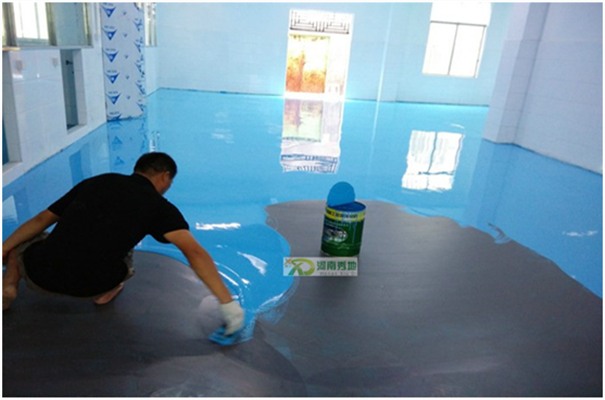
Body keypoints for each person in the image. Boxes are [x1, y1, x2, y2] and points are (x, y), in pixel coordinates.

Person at [2, 152, 244, 335]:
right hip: (92, 285)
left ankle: (9, 285)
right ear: (165, 176)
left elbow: (41, 219)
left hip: (40, 275)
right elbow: (194, 252)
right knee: (126, 251)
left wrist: (4, 248)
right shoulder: (160, 207)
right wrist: (227, 303)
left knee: (28, 238)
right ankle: (106, 293)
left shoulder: (96, 182)